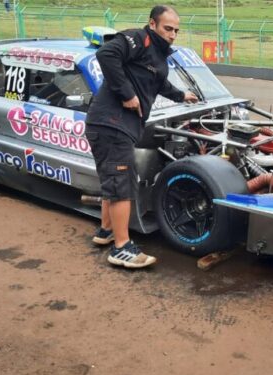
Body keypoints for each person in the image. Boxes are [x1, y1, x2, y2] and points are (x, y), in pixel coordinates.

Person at [85, 5, 198, 269]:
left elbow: (159, 83)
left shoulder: (158, 55)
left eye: (176, 30)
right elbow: (106, 54)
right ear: (153, 24)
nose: (172, 34)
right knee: (122, 183)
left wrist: (182, 96)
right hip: (111, 124)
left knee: (115, 181)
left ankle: (105, 231)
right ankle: (121, 248)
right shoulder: (137, 38)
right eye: (167, 28)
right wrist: (127, 94)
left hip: (119, 126)